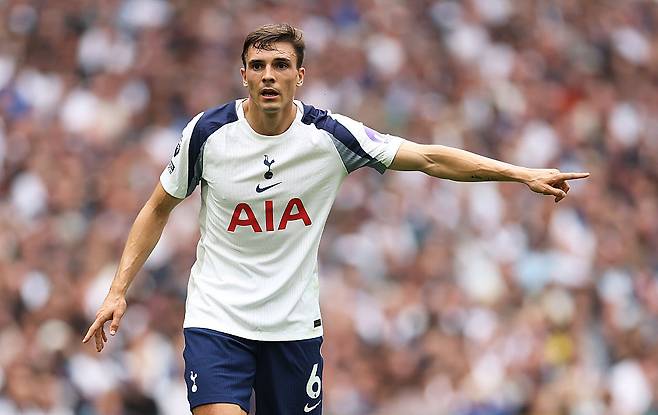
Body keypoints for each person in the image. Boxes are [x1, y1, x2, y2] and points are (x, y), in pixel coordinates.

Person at [82, 23, 589, 415]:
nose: (268, 75)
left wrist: (519, 173)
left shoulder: (330, 137)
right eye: (257, 66)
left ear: (300, 75)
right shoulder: (207, 135)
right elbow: (157, 207)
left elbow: (429, 159)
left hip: (293, 326)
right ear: (243, 75)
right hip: (217, 319)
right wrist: (118, 290)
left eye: (280, 65)